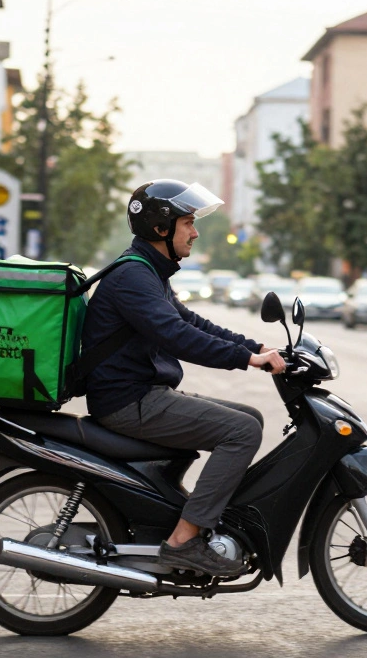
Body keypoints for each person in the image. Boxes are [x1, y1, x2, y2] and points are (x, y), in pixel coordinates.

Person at [82, 180, 286, 577]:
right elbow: (178, 336)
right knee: (241, 431)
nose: (195, 232)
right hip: (127, 401)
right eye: (188, 222)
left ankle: (194, 514)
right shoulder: (134, 277)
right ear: (162, 228)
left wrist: (257, 344)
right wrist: (248, 359)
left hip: (140, 393)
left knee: (251, 418)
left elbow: (191, 321)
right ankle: (184, 540)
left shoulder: (149, 271)